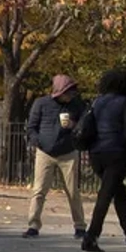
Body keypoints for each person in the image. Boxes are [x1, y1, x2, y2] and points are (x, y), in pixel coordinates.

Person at [81, 67, 126, 252]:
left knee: (118, 193)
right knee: (105, 196)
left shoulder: (98, 102)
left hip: (96, 153)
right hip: (116, 153)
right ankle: (91, 237)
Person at [23, 74, 88, 239]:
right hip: (45, 152)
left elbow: (84, 125)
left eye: (72, 92)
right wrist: (38, 142)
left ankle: (80, 226)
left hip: (68, 152)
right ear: (59, 92)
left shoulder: (77, 105)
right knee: (39, 190)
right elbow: (31, 127)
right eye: (68, 92)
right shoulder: (41, 104)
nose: (71, 95)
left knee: (73, 190)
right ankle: (33, 225)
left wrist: (74, 126)